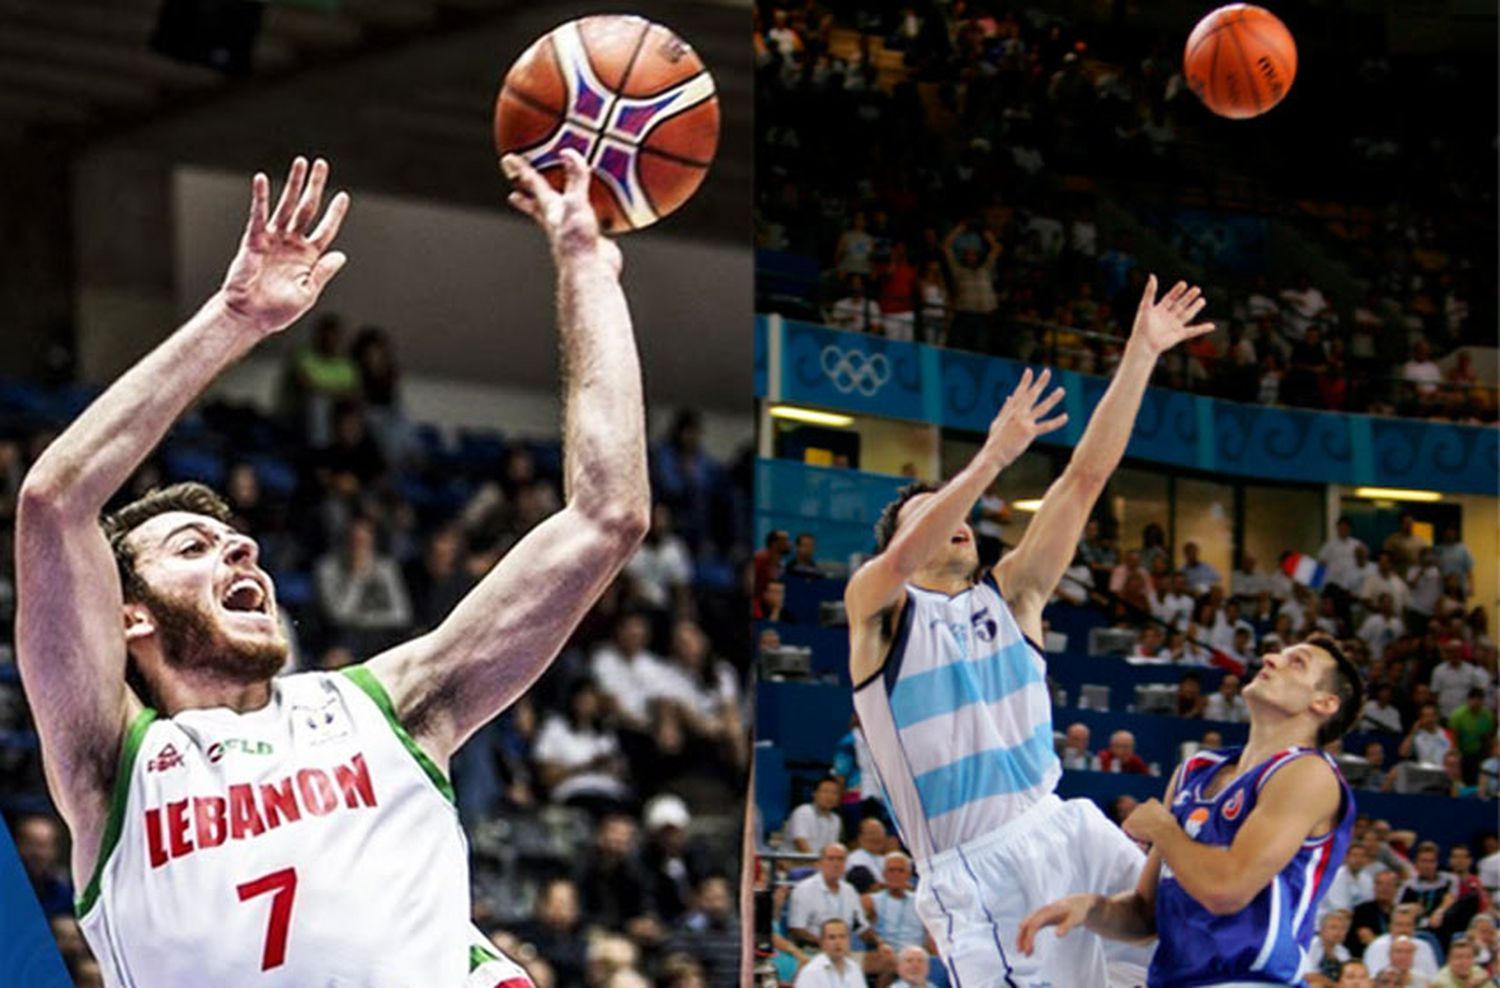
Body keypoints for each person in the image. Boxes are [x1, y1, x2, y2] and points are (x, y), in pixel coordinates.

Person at [13, 152, 650, 986]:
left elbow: (608, 517)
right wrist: (235, 317)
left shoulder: (386, 708)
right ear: (129, 615)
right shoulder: (112, 764)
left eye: (238, 540)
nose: (239, 550)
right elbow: (55, 504)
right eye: (192, 547)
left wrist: (584, 266)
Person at [846, 276, 1214, 986]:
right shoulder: (879, 610)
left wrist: (1141, 353)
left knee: (1192, 949)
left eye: (959, 508)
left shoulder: (1013, 594)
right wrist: (988, 460)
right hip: (976, 870)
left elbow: (1084, 478)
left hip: (1065, 826)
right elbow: (897, 559)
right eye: (931, 510)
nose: (958, 516)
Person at [1019, 634, 1364, 988]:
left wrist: (1163, 830)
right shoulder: (1196, 769)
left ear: (1324, 702)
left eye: (1297, 662)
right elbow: (1145, 915)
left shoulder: (1309, 773)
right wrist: (1091, 908)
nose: (1271, 659)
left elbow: (1227, 889)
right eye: (1278, 653)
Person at [786, 846, 873, 951]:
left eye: (840, 859)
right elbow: (797, 929)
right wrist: (827, 944)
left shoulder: (849, 890)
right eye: (831, 859)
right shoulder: (804, 889)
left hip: (844, 952)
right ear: (820, 864)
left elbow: (860, 926)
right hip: (813, 951)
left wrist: (881, 943)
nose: (836, 864)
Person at [793, 919, 866, 988]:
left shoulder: (855, 968)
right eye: (832, 938)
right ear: (822, 942)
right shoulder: (811, 972)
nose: (838, 942)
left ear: (849, 941)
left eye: (842, 937)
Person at [785, 777, 844, 853]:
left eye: (834, 793)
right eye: (825, 791)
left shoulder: (836, 819)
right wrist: (818, 864)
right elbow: (800, 843)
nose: (830, 796)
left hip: (822, 862)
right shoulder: (803, 812)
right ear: (814, 794)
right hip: (797, 861)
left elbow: (831, 848)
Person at [1431, 938, 1497, 988]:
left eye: (1469, 957)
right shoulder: (1440, 982)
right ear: (1449, 960)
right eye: (1459, 957)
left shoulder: (1478, 972)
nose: (1464, 962)